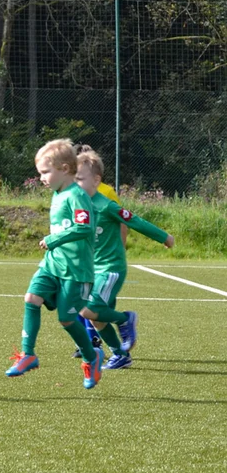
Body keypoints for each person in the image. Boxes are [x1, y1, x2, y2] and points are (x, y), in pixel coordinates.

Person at [6, 139, 106, 389]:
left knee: (67, 320)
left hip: (75, 271)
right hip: (52, 265)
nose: (41, 178)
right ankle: (28, 354)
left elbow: (84, 228)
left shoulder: (77, 196)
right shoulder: (58, 193)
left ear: (64, 168)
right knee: (31, 298)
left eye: (45, 172)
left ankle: (91, 358)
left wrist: (54, 239)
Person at [74, 149, 174, 369]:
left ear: (96, 180)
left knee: (87, 309)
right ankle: (120, 355)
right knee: (96, 318)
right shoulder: (80, 207)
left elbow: (135, 221)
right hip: (94, 270)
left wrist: (164, 237)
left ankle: (124, 319)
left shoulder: (106, 205)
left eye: (80, 178)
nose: (75, 183)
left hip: (111, 269)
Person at [71, 143, 127, 357]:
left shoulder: (106, 193)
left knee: (92, 304)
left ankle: (94, 341)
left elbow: (121, 221)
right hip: (82, 257)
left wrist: (120, 248)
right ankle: (91, 342)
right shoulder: (71, 192)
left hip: (104, 260)